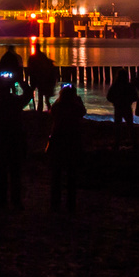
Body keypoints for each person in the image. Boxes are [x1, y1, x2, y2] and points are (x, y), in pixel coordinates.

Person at [0, 72, 30, 208]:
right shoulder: (15, 101)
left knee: (1, 172)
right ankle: (16, 201)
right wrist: (20, 81)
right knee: (15, 173)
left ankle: (1, 201)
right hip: (15, 140)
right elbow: (28, 94)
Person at [46, 84, 86, 213]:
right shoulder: (76, 107)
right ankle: (71, 203)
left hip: (58, 140)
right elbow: (82, 112)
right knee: (71, 174)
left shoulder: (57, 106)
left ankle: (55, 202)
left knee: (56, 174)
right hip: (72, 141)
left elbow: (52, 112)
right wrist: (78, 101)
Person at [106, 69, 137, 146]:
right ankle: (134, 143)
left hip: (118, 107)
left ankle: (117, 143)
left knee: (117, 126)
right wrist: (130, 101)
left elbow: (109, 96)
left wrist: (115, 101)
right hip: (127, 107)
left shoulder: (115, 86)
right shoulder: (129, 86)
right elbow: (135, 96)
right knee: (130, 125)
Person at [26, 46, 57, 111]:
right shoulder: (43, 56)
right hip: (42, 78)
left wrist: (28, 77)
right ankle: (47, 109)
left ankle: (35, 109)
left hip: (34, 78)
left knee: (32, 94)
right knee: (43, 95)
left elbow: (29, 68)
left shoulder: (32, 57)